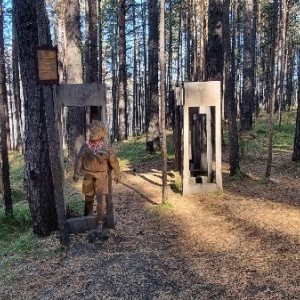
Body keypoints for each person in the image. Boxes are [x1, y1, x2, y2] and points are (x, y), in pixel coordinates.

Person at [73, 120, 120, 235]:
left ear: (102, 132)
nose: (93, 133)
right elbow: (79, 159)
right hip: (88, 176)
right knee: (88, 199)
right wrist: (76, 172)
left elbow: (113, 162)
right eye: (91, 131)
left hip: (101, 177)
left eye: (96, 131)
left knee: (101, 200)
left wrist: (117, 173)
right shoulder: (85, 146)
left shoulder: (106, 147)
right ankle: (89, 217)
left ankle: (100, 223)